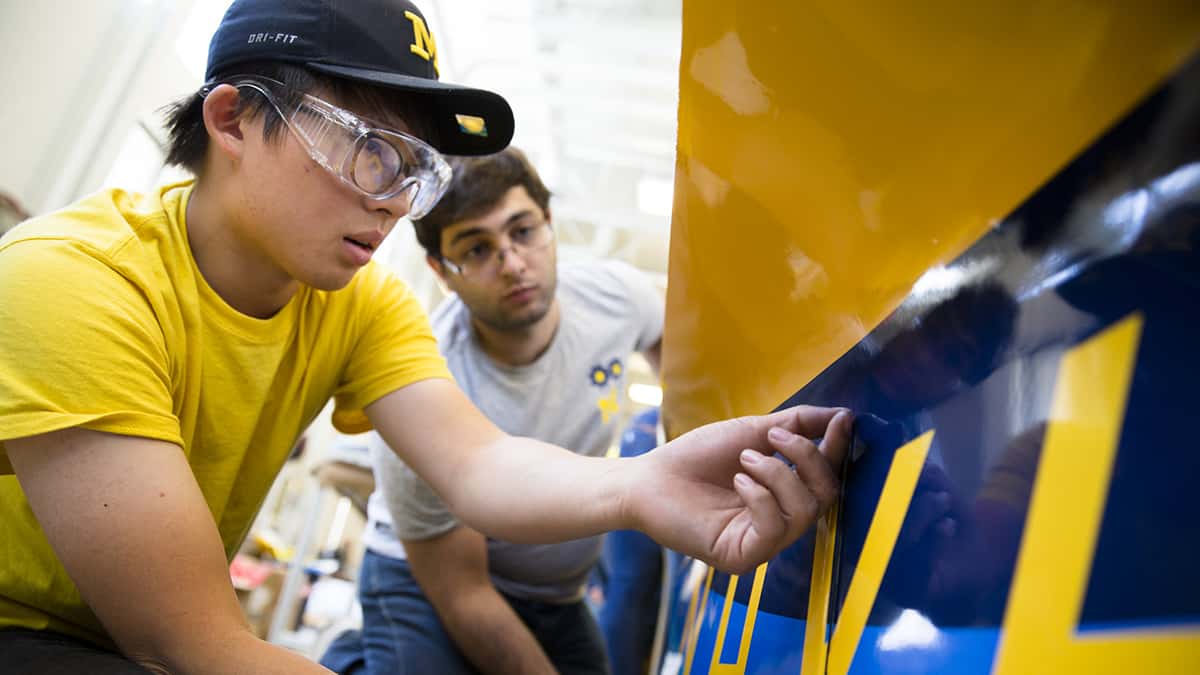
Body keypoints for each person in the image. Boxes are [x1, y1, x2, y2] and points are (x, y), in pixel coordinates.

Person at [0, 1, 853, 673]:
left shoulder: (354, 302)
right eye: (372, 149)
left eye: (417, 169)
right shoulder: (74, 282)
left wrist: (640, 484)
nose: (396, 200)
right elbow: (197, 644)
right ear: (230, 119)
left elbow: (480, 464)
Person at [321, 147, 663, 675]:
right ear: (440, 270)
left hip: (556, 594)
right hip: (426, 580)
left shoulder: (617, 299)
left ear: (549, 224)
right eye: (477, 250)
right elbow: (466, 594)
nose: (512, 263)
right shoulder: (417, 386)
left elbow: (690, 369)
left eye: (523, 231)